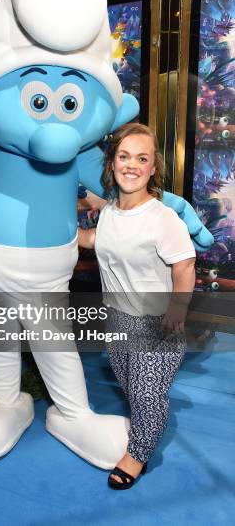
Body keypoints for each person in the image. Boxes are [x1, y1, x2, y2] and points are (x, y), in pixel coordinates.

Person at [78, 122, 196, 489]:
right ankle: (150, 416)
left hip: (155, 323)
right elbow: (97, 240)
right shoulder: (111, 211)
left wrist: (176, 312)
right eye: (124, 156)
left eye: (141, 158)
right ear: (112, 163)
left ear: (153, 167)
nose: (131, 165)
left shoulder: (163, 218)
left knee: (146, 392)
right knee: (130, 383)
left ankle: (137, 455)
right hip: (117, 319)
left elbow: (185, 265)